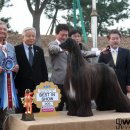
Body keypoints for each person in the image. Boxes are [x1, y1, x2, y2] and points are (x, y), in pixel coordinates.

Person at [15, 27, 48, 113]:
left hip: (38, 87)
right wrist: (14, 86)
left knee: (37, 112)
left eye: (33, 36)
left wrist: (45, 85)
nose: (31, 38)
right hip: (22, 87)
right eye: (28, 36)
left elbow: (43, 69)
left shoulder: (39, 50)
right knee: (24, 112)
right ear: (23, 37)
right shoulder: (16, 50)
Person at [98, 29, 130, 95]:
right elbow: (100, 70)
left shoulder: (126, 52)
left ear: (120, 39)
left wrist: (129, 84)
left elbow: (129, 69)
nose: (115, 40)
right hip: (107, 84)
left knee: (122, 104)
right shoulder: (103, 53)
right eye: (113, 39)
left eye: (117, 38)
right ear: (109, 39)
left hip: (122, 83)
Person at [0, 20, 19, 130]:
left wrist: (16, 67)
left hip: (6, 87)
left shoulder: (11, 47)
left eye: (5, 29)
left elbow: (14, 62)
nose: (2, 31)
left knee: (3, 115)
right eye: (0, 29)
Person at [48, 24, 69, 111]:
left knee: (71, 107)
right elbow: (52, 49)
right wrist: (62, 48)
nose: (64, 37)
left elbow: (82, 53)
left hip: (70, 82)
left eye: (66, 35)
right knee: (57, 109)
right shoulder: (52, 44)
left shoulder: (69, 45)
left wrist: (97, 52)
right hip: (58, 83)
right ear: (56, 34)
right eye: (62, 35)